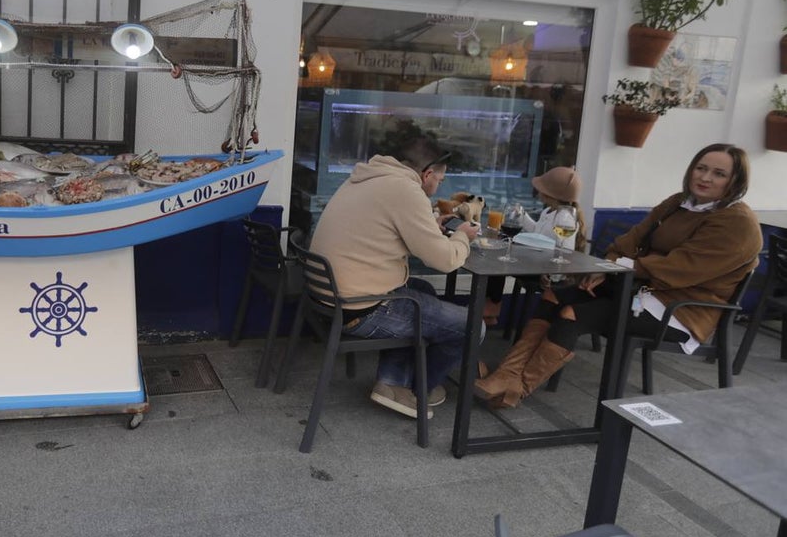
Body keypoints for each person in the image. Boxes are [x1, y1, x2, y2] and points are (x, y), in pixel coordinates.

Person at [475, 143, 762, 409]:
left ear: (735, 181)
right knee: (553, 294)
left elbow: (681, 267)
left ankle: (517, 390)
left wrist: (625, 267)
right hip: (636, 289)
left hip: (678, 309)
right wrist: (610, 268)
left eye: (719, 173)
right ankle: (506, 375)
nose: (706, 177)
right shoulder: (677, 203)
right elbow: (628, 243)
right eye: (701, 168)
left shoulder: (737, 222)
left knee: (573, 313)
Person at [310, 134, 481, 420]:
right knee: (473, 326)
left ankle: (392, 382)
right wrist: (463, 236)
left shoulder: (367, 177)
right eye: (439, 180)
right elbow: (446, 261)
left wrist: (430, 225)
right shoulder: (406, 190)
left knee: (421, 288)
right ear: (427, 174)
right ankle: (420, 387)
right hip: (360, 307)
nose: (439, 185)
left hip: (327, 295)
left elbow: (385, 226)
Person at [482, 166, 588, 325]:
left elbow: (566, 251)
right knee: (498, 260)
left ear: (550, 194)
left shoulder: (564, 218)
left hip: (544, 271)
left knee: (501, 262)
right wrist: (522, 216)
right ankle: (492, 307)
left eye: (541, 188)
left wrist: (552, 275)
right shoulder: (549, 212)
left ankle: (492, 307)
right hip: (535, 263)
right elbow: (537, 230)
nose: (537, 190)